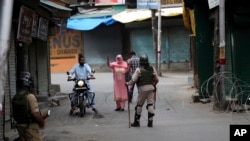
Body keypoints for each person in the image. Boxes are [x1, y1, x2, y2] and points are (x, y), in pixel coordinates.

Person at [12, 72, 49, 141]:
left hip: (20, 126)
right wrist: (41, 122)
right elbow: (35, 114)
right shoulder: (30, 96)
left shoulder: (15, 97)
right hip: (30, 127)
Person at [126, 53, 159, 127]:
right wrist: (154, 84)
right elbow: (157, 79)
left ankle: (137, 122)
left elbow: (133, 80)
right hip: (151, 88)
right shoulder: (152, 68)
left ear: (140, 62)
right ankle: (150, 122)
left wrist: (128, 83)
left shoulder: (138, 70)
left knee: (139, 105)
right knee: (150, 104)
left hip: (143, 89)